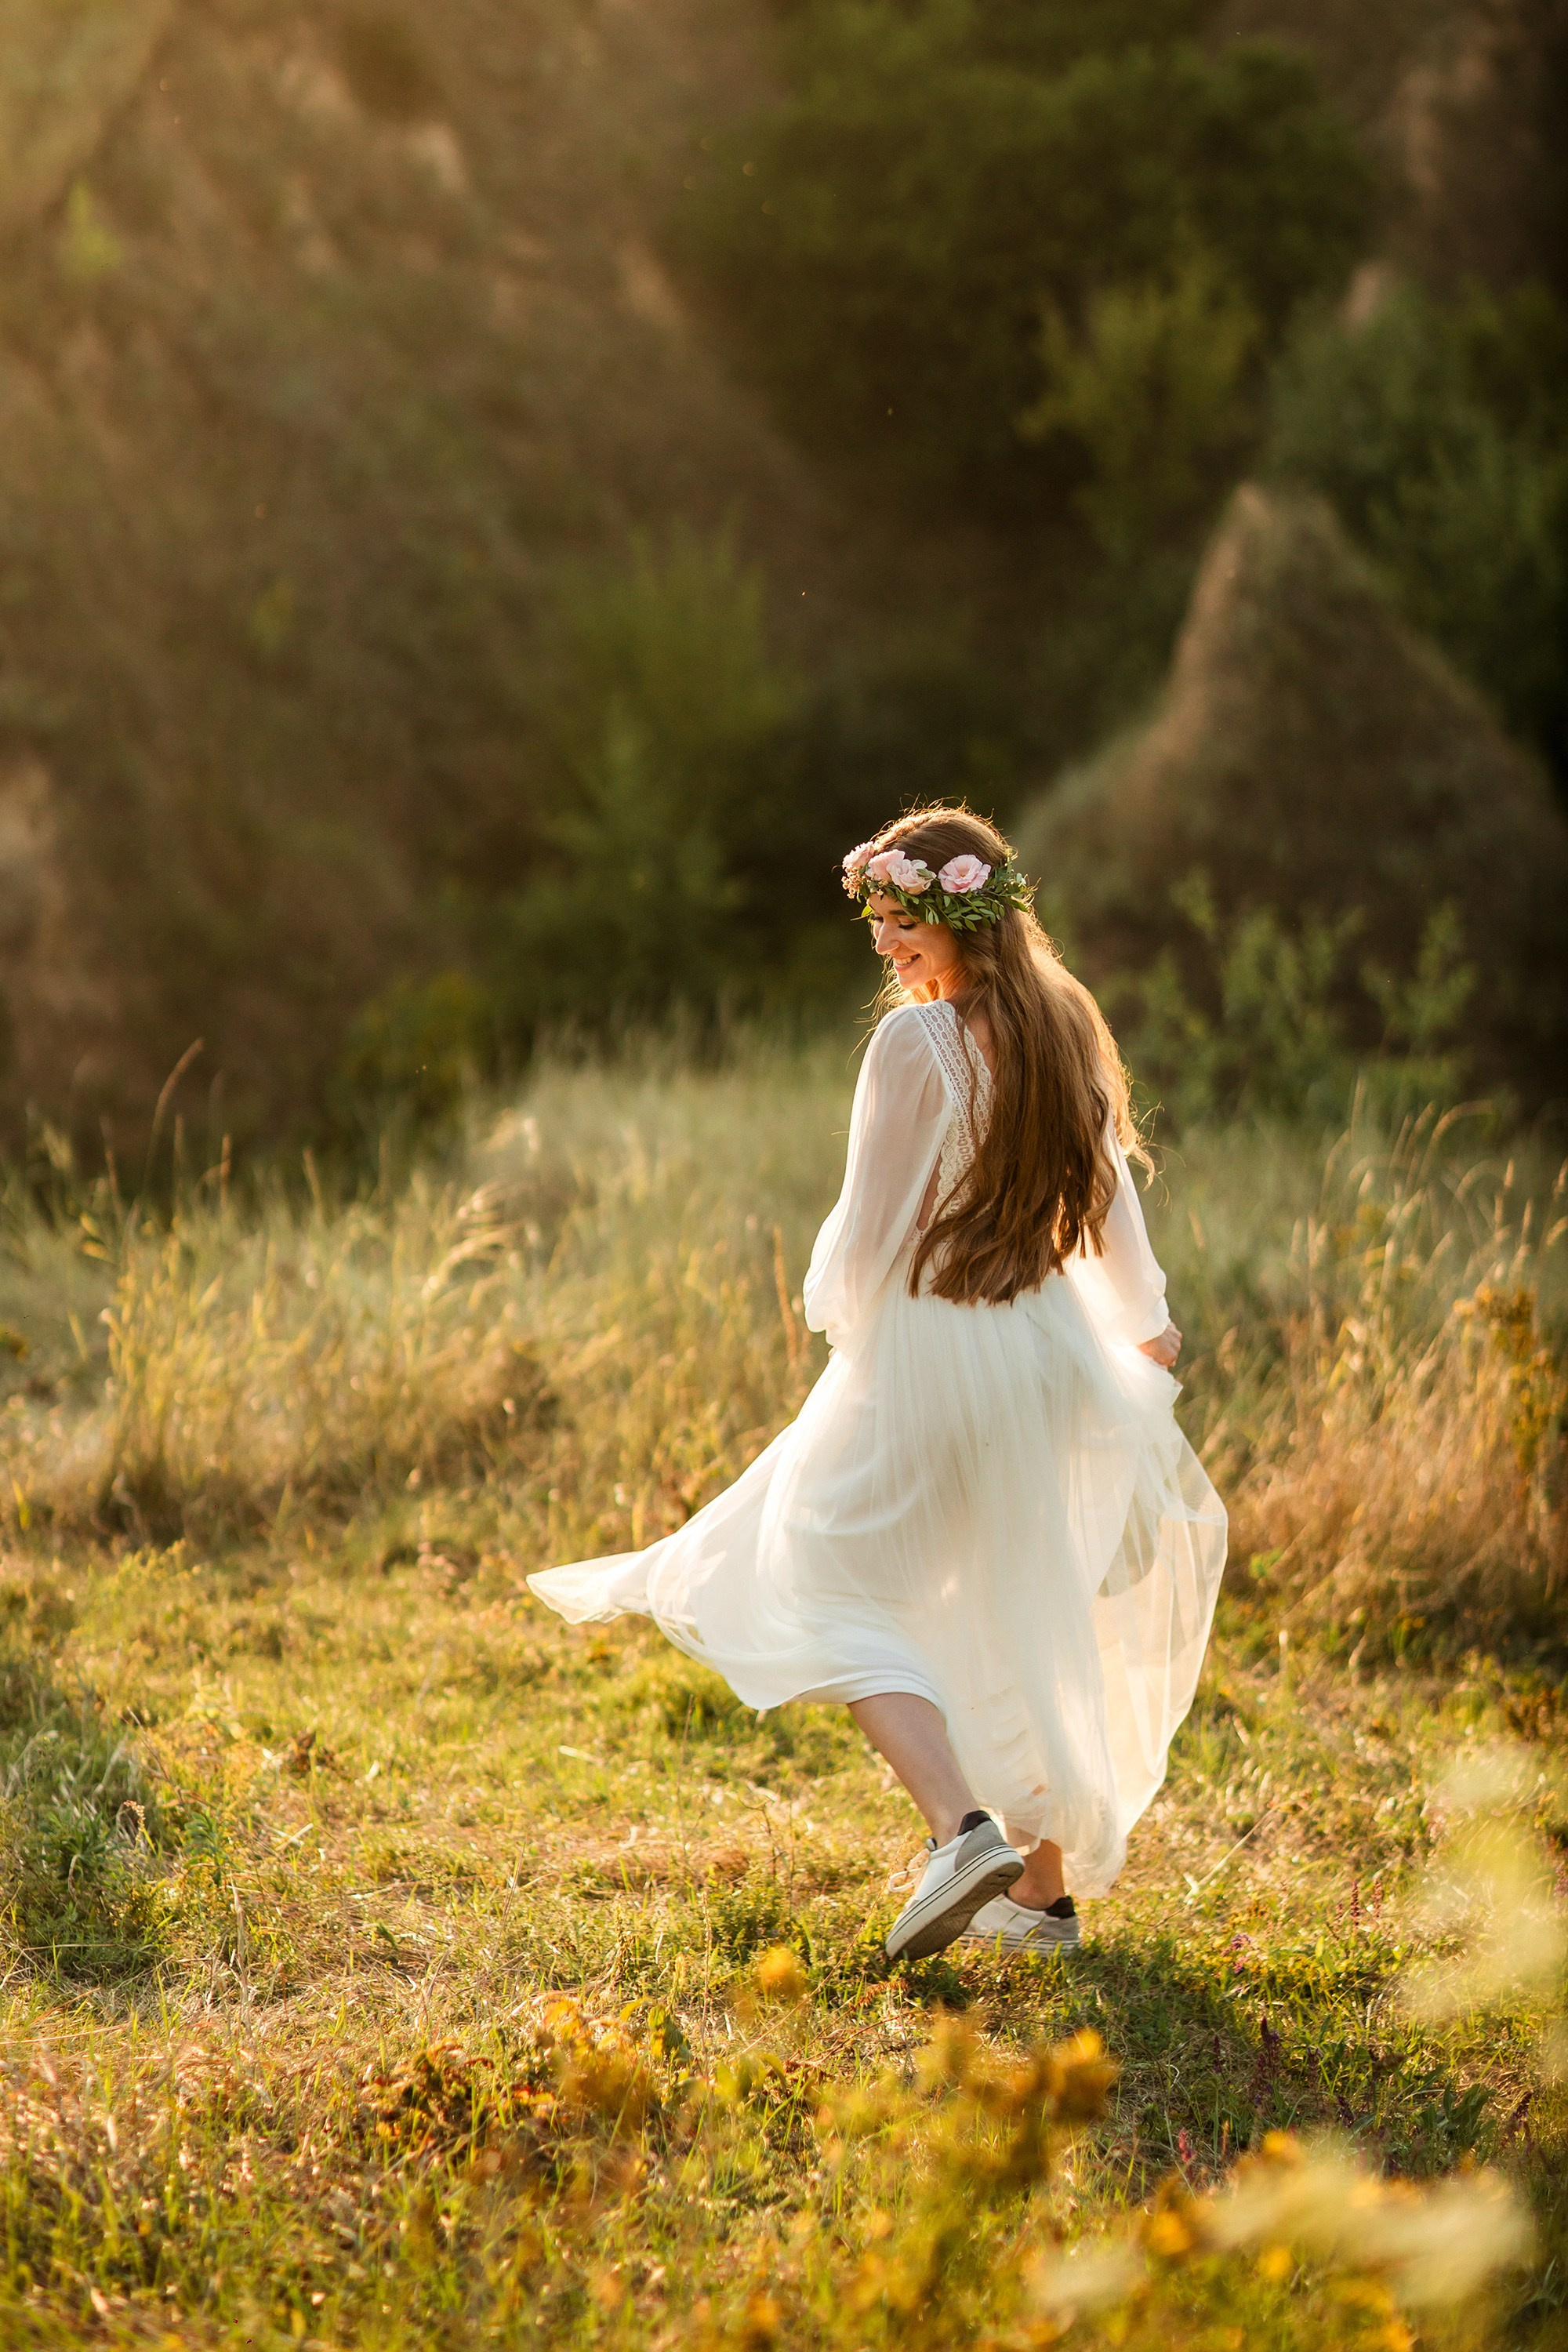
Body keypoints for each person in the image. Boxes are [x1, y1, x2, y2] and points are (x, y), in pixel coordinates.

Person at [529, 808, 1227, 1960]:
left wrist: (843, 1323)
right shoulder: (1064, 1028)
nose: (886, 946)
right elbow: (1109, 1201)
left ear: (961, 919)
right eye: (880, 925)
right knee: (1004, 1601)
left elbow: (864, 1239)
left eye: (902, 923)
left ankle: (963, 1834)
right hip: (1045, 1353)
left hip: (931, 1348)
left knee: (818, 1566)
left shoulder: (916, 1049)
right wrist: (1144, 1327)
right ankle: (1042, 1903)